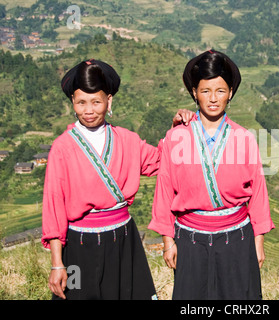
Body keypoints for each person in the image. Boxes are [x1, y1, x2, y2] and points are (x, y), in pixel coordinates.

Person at [41, 59, 194, 300]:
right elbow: (53, 207)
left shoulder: (128, 140)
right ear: (73, 102)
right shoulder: (62, 148)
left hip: (123, 240)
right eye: (81, 102)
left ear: (109, 101)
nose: (88, 110)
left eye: (96, 102)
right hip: (78, 247)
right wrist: (57, 263)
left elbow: (162, 162)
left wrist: (177, 131)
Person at [148, 50, 275, 300]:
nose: (213, 98)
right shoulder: (176, 137)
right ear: (194, 93)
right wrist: (168, 240)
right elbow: (164, 190)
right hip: (190, 240)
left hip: (237, 240)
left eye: (220, 90)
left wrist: (257, 243)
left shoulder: (245, 139)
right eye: (205, 91)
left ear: (230, 93)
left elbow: (258, 192)